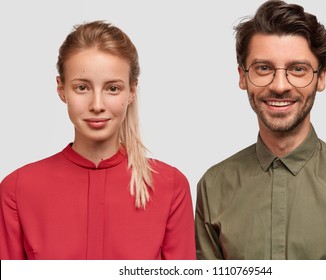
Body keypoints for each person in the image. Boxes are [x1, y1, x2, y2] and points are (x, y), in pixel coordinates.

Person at [195, 0, 326, 260]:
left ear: (320, 78)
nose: (279, 85)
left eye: (298, 69)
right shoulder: (213, 187)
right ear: (242, 77)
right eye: (263, 68)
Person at [0, 21, 195, 260]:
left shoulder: (170, 186)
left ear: (131, 91)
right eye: (82, 87)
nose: (97, 105)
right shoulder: (18, 189)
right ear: (61, 89)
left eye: (112, 88)